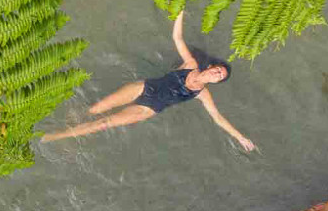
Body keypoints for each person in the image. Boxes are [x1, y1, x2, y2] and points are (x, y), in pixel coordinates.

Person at [40, 10, 257, 151]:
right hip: (142, 88)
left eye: (220, 77)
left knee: (103, 123)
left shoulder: (202, 93)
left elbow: (217, 118)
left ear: (215, 82)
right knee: (96, 109)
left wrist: (239, 137)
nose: (217, 74)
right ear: (210, 67)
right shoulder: (190, 64)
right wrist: (180, 11)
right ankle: (71, 118)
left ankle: (57, 136)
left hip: (148, 108)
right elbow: (177, 39)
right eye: (218, 70)